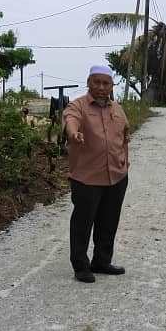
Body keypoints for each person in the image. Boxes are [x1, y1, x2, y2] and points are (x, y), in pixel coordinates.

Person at [63, 65, 130, 283]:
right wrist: (73, 134)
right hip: (87, 178)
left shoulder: (117, 109)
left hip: (116, 177)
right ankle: (81, 266)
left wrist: (124, 163)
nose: (101, 87)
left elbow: (125, 136)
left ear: (112, 86)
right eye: (96, 82)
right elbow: (70, 120)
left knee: (109, 221)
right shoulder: (78, 105)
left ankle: (102, 261)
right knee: (82, 223)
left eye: (106, 83)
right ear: (88, 82)